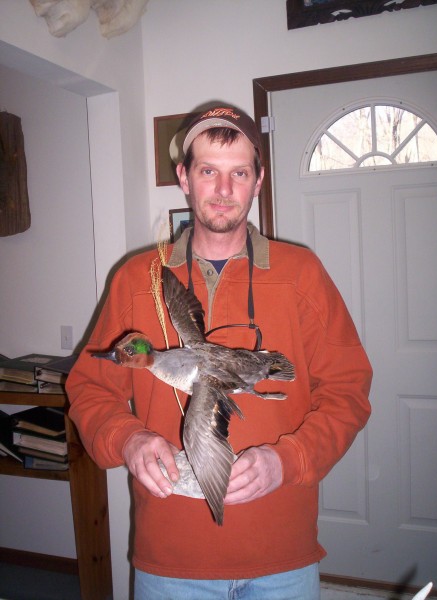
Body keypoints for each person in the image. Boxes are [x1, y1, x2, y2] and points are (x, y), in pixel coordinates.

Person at [66, 105, 372, 600]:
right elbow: (87, 387)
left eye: (239, 173)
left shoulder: (301, 274)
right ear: (184, 177)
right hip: (171, 558)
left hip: (281, 554)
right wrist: (127, 440)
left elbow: (349, 391)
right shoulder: (136, 279)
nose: (224, 190)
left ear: (258, 180)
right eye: (209, 171)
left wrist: (288, 459)